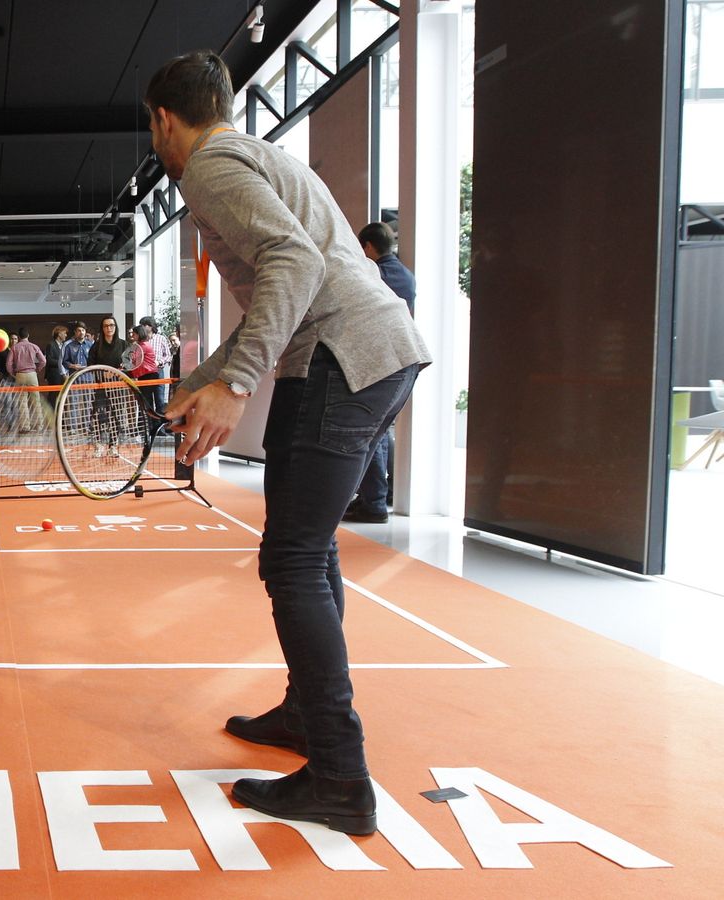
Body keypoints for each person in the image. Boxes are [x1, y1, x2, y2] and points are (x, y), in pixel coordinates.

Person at [149, 51, 430, 835]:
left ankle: (341, 777)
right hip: (360, 356)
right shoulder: (255, 153)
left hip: (346, 357)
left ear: (164, 120)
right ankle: (308, 718)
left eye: (152, 126)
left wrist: (235, 384)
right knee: (311, 548)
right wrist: (204, 375)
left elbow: (294, 260)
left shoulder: (207, 166)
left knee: (293, 558)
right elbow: (285, 279)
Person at [345, 222, 418, 523]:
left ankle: (373, 502)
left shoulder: (376, 277)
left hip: (377, 360)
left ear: (368, 247)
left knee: (369, 432)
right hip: (400, 363)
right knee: (382, 431)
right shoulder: (405, 275)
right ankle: (379, 495)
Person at [4, 325, 46, 430]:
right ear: (28, 335)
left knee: (22, 402)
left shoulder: (14, 347)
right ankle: (39, 425)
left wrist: (13, 373)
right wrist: (37, 369)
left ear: (19, 336)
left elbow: (8, 364)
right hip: (32, 374)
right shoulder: (34, 346)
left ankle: (25, 426)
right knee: (36, 401)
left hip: (20, 375)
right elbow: (43, 361)